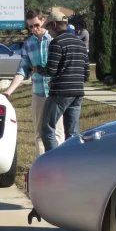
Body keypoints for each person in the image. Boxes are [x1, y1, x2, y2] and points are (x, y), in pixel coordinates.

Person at [2, 9, 65, 157]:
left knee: (57, 131)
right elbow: (22, 70)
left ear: (43, 20)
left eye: (36, 24)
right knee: (39, 133)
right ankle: (42, 167)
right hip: (38, 93)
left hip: (56, 92)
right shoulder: (28, 44)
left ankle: (61, 165)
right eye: (30, 26)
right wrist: (8, 91)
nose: (34, 29)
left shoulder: (54, 40)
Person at [39, 12, 90, 152]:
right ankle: (73, 162)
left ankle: (53, 162)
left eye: (49, 29)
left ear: (54, 25)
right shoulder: (80, 43)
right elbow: (86, 74)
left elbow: (51, 71)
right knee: (73, 133)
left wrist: (37, 69)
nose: (49, 33)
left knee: (47, 129)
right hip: (78, 93)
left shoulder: (57, 43)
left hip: (60, 93)